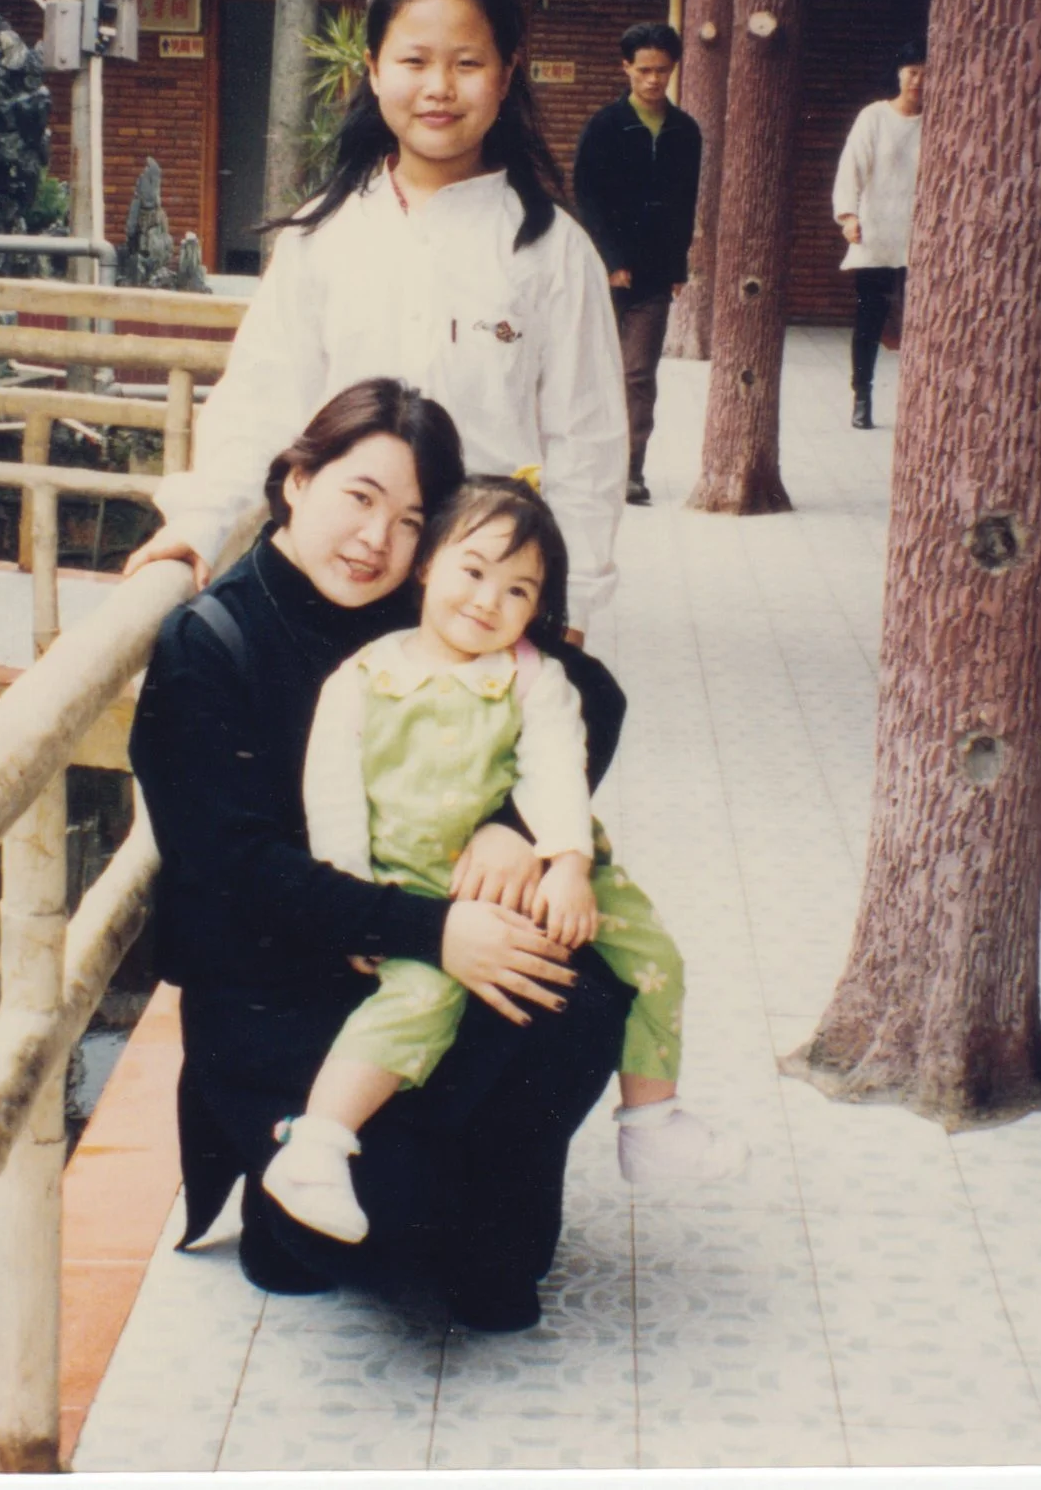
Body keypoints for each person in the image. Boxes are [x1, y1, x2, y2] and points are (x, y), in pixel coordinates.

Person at [128, 379, 637, 1333]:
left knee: (582, 995)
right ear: (296, 481)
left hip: (414, 958)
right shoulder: (212, 642)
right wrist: (437, 931)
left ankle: (486, 1220)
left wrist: (516, 827)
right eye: (358, 498)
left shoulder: (421, 604)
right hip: (278, 982)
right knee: (374, 1224)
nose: (376, 540)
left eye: (410, 521)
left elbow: (591, 694)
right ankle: (311, 1198)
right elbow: (237, 869)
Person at [262, 476, 741, 1245]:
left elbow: (555, 768)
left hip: (540, 865)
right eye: (474, 570)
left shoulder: (531, 676)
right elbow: (335, 798)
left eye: (518, 590)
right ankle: (317, 1147)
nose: (489, 601)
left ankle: (650, 1121)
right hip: (421, 885)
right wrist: (356, 908)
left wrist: (568, 863)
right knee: (417, 1002)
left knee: (654, 957)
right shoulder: (362, 679)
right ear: (427, 564)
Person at [128, 0, 627, 645]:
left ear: (507, 73)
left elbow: (588, 446)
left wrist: (566, 611)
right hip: (332, 581)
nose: (439, 88)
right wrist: (202, 521)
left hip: (477, 608)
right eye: (414, 61)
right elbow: (261, 402)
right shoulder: (323, 233)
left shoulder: (552, 251)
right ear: (373, 69)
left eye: (468, 63)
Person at [569, 22, 702, 505]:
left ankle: (630, 469)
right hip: (601, 272)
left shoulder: (685, 131)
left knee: (638, 375)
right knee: (591, 371)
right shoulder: (604, 126)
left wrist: (677, 267)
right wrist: (611, 258)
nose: (652, 79)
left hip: (653, 276)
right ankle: (585, 462)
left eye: (661, 70)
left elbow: (685, 202)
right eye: (643, 70)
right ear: (626, 67)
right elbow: (586, 195)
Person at [831, 38, 926, 430]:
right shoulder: (874, 117)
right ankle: (862, 395)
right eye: (912, 72)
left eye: (926, 74)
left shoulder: (938, 121)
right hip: (878, 233)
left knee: (920, 324)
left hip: (920, 239)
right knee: (870, 319)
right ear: (899, 74)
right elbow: (851, 167)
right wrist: (848, 216)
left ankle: (917, 403)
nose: (918, 81)